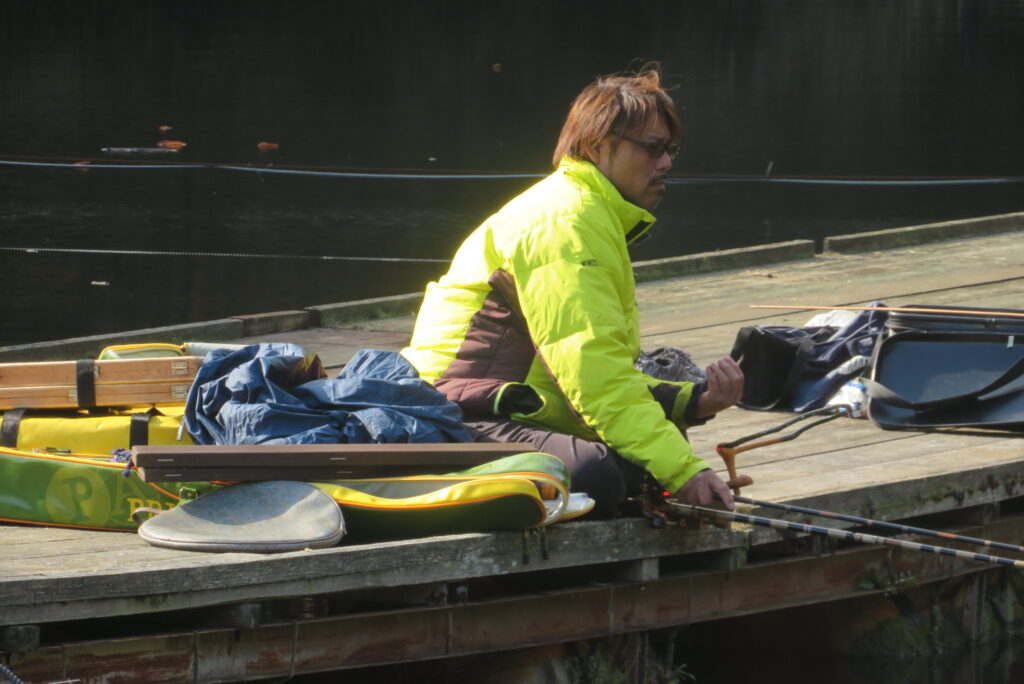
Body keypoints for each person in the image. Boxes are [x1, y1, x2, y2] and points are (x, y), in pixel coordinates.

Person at [401, 65, 743, 518]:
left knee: (644, 455)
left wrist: (693, 401)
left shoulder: (588, 213)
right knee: (596, 474)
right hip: (453, 415)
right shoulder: (564, 224)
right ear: (598, 145)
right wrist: (684, 472)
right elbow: (592, 376)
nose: (666, 164)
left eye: (670, 149)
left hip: (510, 407)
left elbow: (591, 371)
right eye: (652, 148)